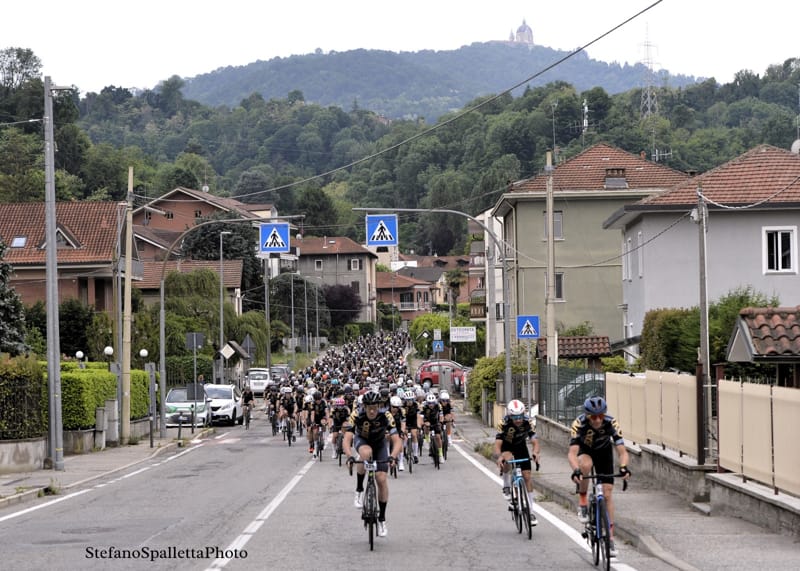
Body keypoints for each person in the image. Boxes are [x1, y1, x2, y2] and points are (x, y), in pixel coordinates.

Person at [568, 396, 631, 558]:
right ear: (587, 416)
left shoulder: (611, 423)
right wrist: (576, 470)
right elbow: (572, 453)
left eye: (600, 416)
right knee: (585, 467)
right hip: (586, 451)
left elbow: (622, 451)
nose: (597, 420)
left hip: (604, 454)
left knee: (608, 493)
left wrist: (624, 467)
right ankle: (583, 501)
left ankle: (609, 539)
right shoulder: (579, 424)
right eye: (593, 417)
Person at [343, 390, 403, 538]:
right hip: (362, 441)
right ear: (364, 405)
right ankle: (359, 490)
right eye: (368, 406)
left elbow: (397, 440)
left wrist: (393, 456)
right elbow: (347, 439)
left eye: (374, 407)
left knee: (381, 479)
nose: (371, 410)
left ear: (379, 406)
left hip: (380, 444)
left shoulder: (386, 415)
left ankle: (382, 519)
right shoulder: (356, 414)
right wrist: (350, 456)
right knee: (365, 453)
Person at [493, 399, 540, 526]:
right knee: (507, 459)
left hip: (520, 446)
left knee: (527, 477)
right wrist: (499, 457)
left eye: (520, 416)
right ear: (509, 415)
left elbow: (535, 441)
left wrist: (535, 453)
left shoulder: (528, 421)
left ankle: (530, 511)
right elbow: (497, 445)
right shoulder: (503, 423)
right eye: (515, 417)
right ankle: (507, 486)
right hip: (507, 446)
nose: (518, 420)